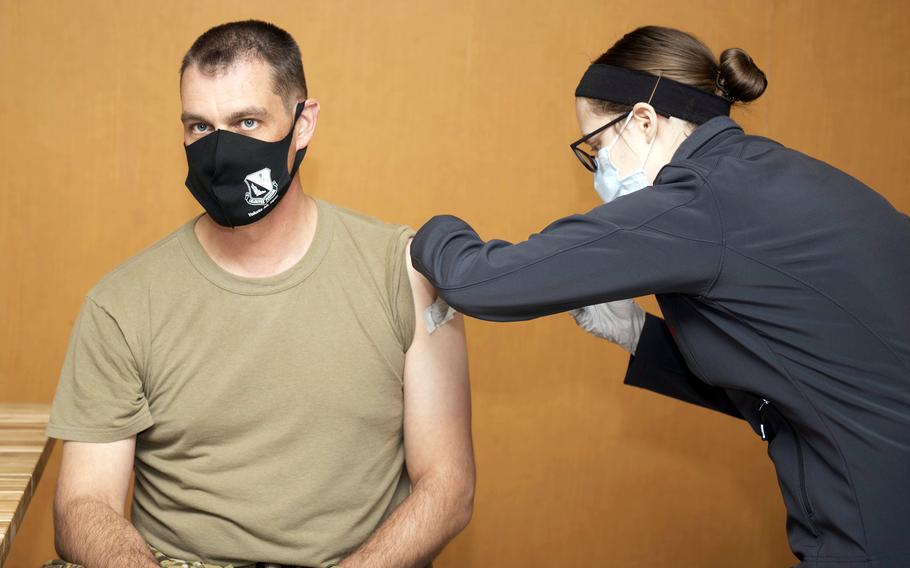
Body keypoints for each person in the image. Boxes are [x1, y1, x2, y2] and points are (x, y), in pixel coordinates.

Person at [410, 25, 910, 568]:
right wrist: (638, 334)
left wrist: (425, 235)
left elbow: (482, 281)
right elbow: (790, 382)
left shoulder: (701, 200)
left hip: (876, 528)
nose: (598, 169)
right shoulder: (768, 175)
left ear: (644, 121)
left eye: (596, 145)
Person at [44, 20, 474, 568]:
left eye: (247, 122)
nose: (220, 150)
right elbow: (84, 505)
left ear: (303, 123)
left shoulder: (405, 272)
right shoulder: (122, 304)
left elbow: (448, 486)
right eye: (200, 126)